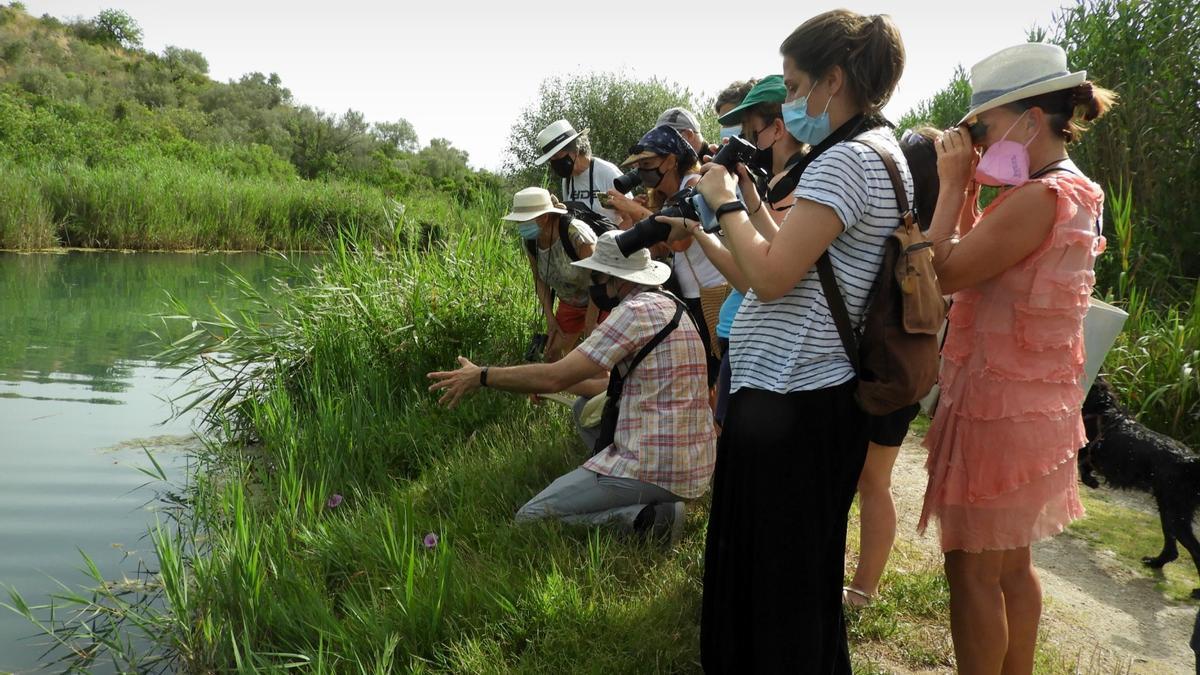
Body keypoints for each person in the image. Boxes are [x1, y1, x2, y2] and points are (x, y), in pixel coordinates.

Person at [695, 11, 910, 672]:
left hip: (796, 404)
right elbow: (803, 262)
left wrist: (724, 200)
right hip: (804, 401)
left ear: (832, 80)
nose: (788, 103)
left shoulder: (844, 162)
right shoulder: (876, 151)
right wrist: (757, 204)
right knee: (794, 578)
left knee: (778, 586)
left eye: (793, 85)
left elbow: (768, 273)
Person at [919, 42, 1114, 674]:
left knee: (971, 570)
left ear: (1029, 119)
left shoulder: (1034, 199)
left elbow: (941, 273)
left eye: (982, 127)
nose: (974, 143)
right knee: (1010, 564)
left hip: (997, 412)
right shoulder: (1079, 190)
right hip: (1037, 408)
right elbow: (997, 267)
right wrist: (976, 193)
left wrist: (951, 187)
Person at [427, 231, 716, 544]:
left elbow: (556, 376)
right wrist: (543, 383)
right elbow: (603, 384)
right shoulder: (671, 305)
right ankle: (644, 501)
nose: (594, 286)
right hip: (693, 464)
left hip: (655, 465)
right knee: (584, 410)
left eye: (596, 276)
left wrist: (482, 375)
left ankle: (646, 519)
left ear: (614, 277)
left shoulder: (633, 313)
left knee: (532, 516)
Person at [842, 126, 940, 609]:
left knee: (866, 480)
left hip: (878, 369)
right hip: (910, 375)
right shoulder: (945, 232)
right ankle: (863, 585)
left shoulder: (899, 232)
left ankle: (861, 587)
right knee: (872, 480)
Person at [612, 125, 727, 384]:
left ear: (671, 160)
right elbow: (659, 249)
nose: (642, 171)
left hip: (712, 296)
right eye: (639, 165)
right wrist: (634, 216)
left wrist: (639, 211)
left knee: (713, 377)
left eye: (648, 163)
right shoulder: (665, 198)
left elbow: (681, 242)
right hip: (689, 295)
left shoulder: (696, 185)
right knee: (699, 376)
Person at [503, 187, 602, 362]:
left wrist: (590, 322)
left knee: (596, 360)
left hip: (601, 302)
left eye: (525, 221)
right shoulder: (531, 242)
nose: (521, 226)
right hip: (570, 303)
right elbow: (539, 280)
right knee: (552, 357)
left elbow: (599, 279)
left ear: (544, 217)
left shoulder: (576, 234)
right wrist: (550, 318)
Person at [533, 119, 624, 223]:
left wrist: (611, 239)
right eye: (551, 160)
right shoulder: (567, 180)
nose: (555, 163)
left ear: (575, 149)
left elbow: (629, 216)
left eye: (557, 156)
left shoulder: (606, 173)